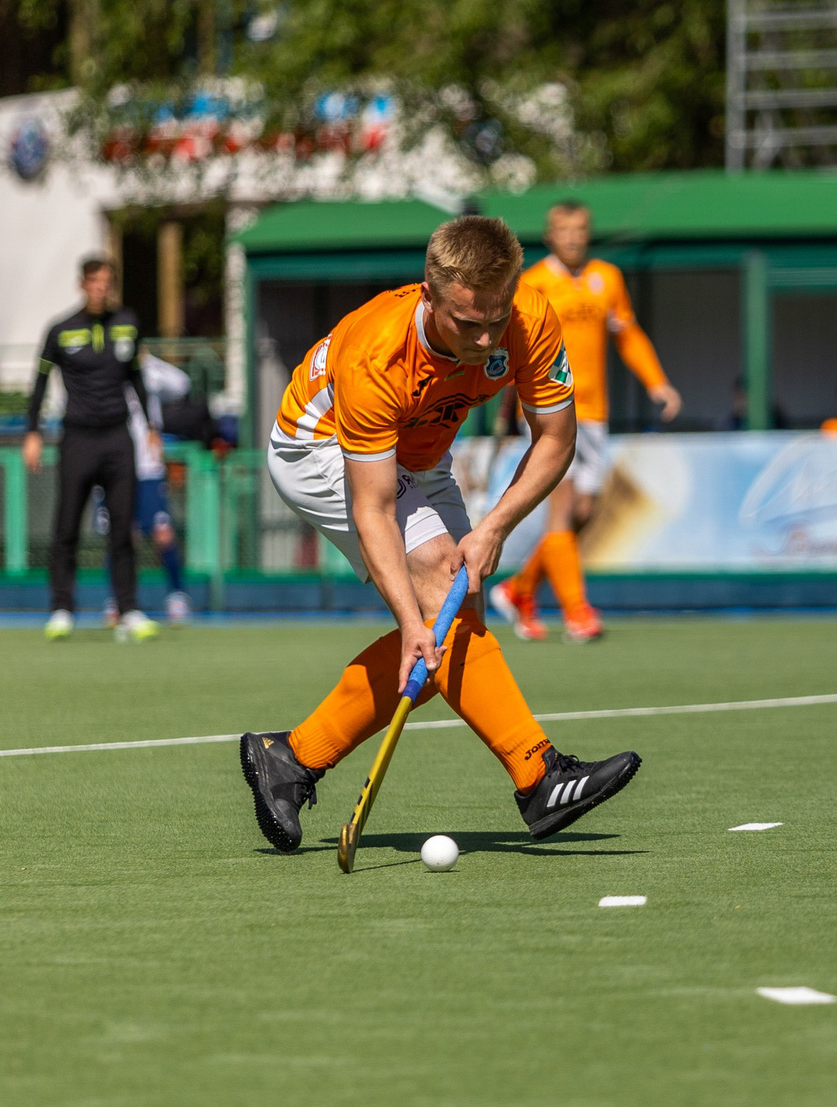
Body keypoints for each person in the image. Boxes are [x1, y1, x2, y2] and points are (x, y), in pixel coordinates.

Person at [238, 212, 643, 853]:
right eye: (467, 323)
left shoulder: (531, 316)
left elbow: (557, 439)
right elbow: (373, 508)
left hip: (420, 455)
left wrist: (494, 527)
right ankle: (538, 776)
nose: (486, 341)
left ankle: (290, 757)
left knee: (457, 633)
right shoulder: (376, 351)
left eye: (495, 319)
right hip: (320, 447)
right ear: (429, 295)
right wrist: (407, 619)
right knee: (434, 593)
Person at [491, 200, 680, 644]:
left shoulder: (606, 279)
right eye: (564, 229)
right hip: (546, 411)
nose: (573, 236)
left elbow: (627, 334)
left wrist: (658, 383)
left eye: (580, 228)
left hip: (594, 414)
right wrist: (504, 409)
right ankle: (578, 613)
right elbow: (511, 349)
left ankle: (519, 590)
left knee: (583, 513)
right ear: (550, 234)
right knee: (562, 508)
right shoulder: (532, 283)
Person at [24, 256, 158, 641]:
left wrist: (150, 427)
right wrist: (31, 433)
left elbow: (137, 377)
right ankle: (62, 609)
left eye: (106, 281)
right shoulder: (62, 329)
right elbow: (38, 383)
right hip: (78, 438)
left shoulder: (128, 324)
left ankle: (129, 609)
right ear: (82, 284)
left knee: (122, 529)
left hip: (118, 437)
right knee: (67, 526)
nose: (101, 287)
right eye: (94, 281)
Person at [103, 351, 197, 625]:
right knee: (121, 536)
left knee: (162, 534)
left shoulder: (147, 371)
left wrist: (149, 360)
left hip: (148, 467)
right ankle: (119, 599)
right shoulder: (103, 370)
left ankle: (177, 595)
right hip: (113, 466)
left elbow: (182, 384)